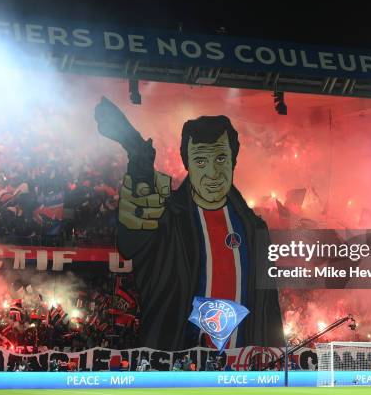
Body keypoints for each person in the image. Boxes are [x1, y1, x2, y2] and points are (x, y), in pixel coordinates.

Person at [114, 114, 284, 351]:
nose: (213, 173)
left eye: (221, 158)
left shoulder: (254, 229)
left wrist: (276, 360)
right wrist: (139, 165)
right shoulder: (168, 219)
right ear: (187, 164)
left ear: (233, 160)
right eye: (201, 161)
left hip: (245, 376)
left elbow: (269, 309)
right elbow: (131, 242)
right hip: (179, 375)